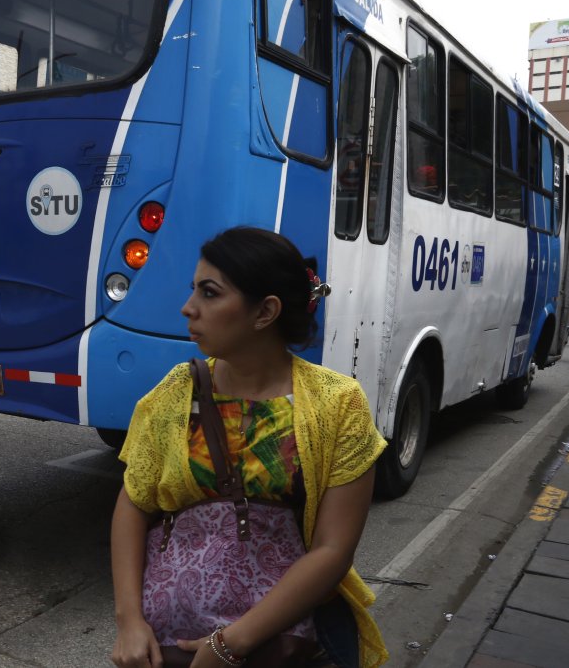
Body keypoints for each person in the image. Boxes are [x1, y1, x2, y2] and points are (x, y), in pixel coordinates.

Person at [110, 227, 388, 668]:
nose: (188, 307)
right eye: (193, 290)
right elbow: (134, 502)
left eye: (209, 293)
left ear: (265, 312)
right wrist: (129, 621)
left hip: (286, 646)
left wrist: (229, 645)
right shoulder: (175, 393)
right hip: (172, 646)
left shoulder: (338, 404)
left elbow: (333, 550)